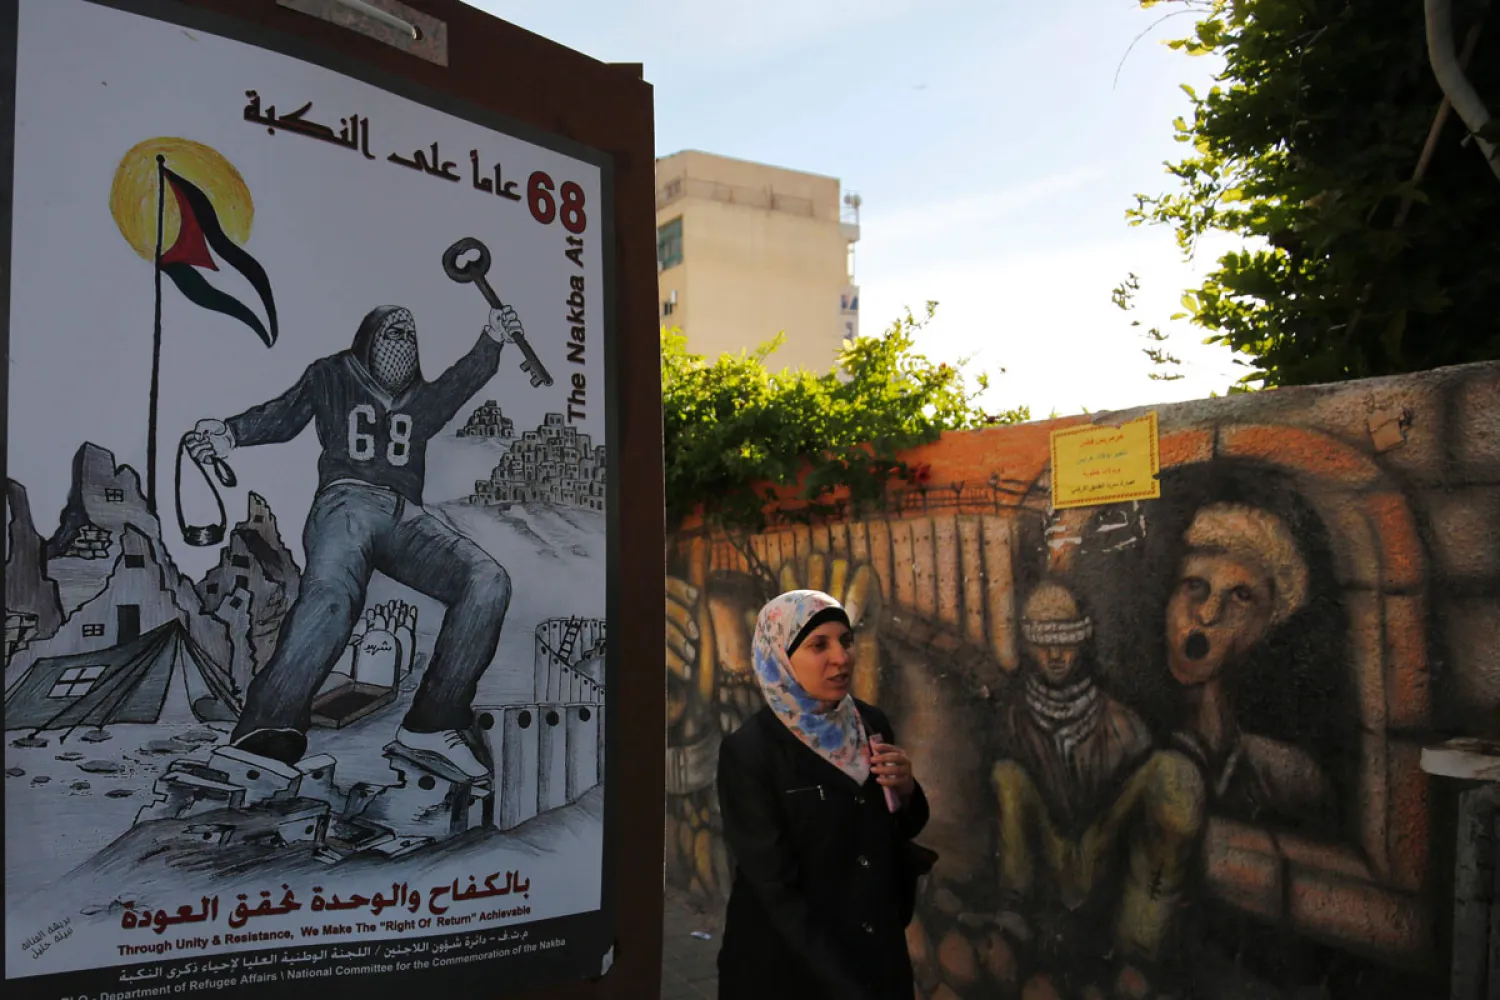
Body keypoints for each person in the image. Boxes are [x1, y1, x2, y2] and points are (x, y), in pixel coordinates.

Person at [184, 303, 523, 778]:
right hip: (346, 505)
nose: (403, 340)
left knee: (487, 579)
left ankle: (433, 720)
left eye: (410, 333)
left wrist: (492, 339)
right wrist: (229, 434)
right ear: (368, 338)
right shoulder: (332, 375)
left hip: (405, 516)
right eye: (392, 331)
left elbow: (460, 383)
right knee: (333, 597)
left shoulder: (421, 400)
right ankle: (267, 725)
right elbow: (284, 415)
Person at [716, 589, 929, 1000]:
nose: (841, 657)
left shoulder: (869, 723)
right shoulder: (752, 752)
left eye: (846, 641)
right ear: (780, 655)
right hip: (788, 971)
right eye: (819, 645)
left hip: (876, 956)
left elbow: (900, 827)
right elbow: (776, 888)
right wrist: (845, 986)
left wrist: (906, 790)